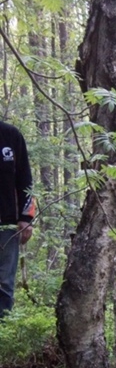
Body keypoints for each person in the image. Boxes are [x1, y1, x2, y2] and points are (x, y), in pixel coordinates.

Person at [0, 120, 35, 319]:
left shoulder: (11, 135)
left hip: (7, 223)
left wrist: (26, 217)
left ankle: (3, 332)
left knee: (5, 282)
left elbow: (25, 179)